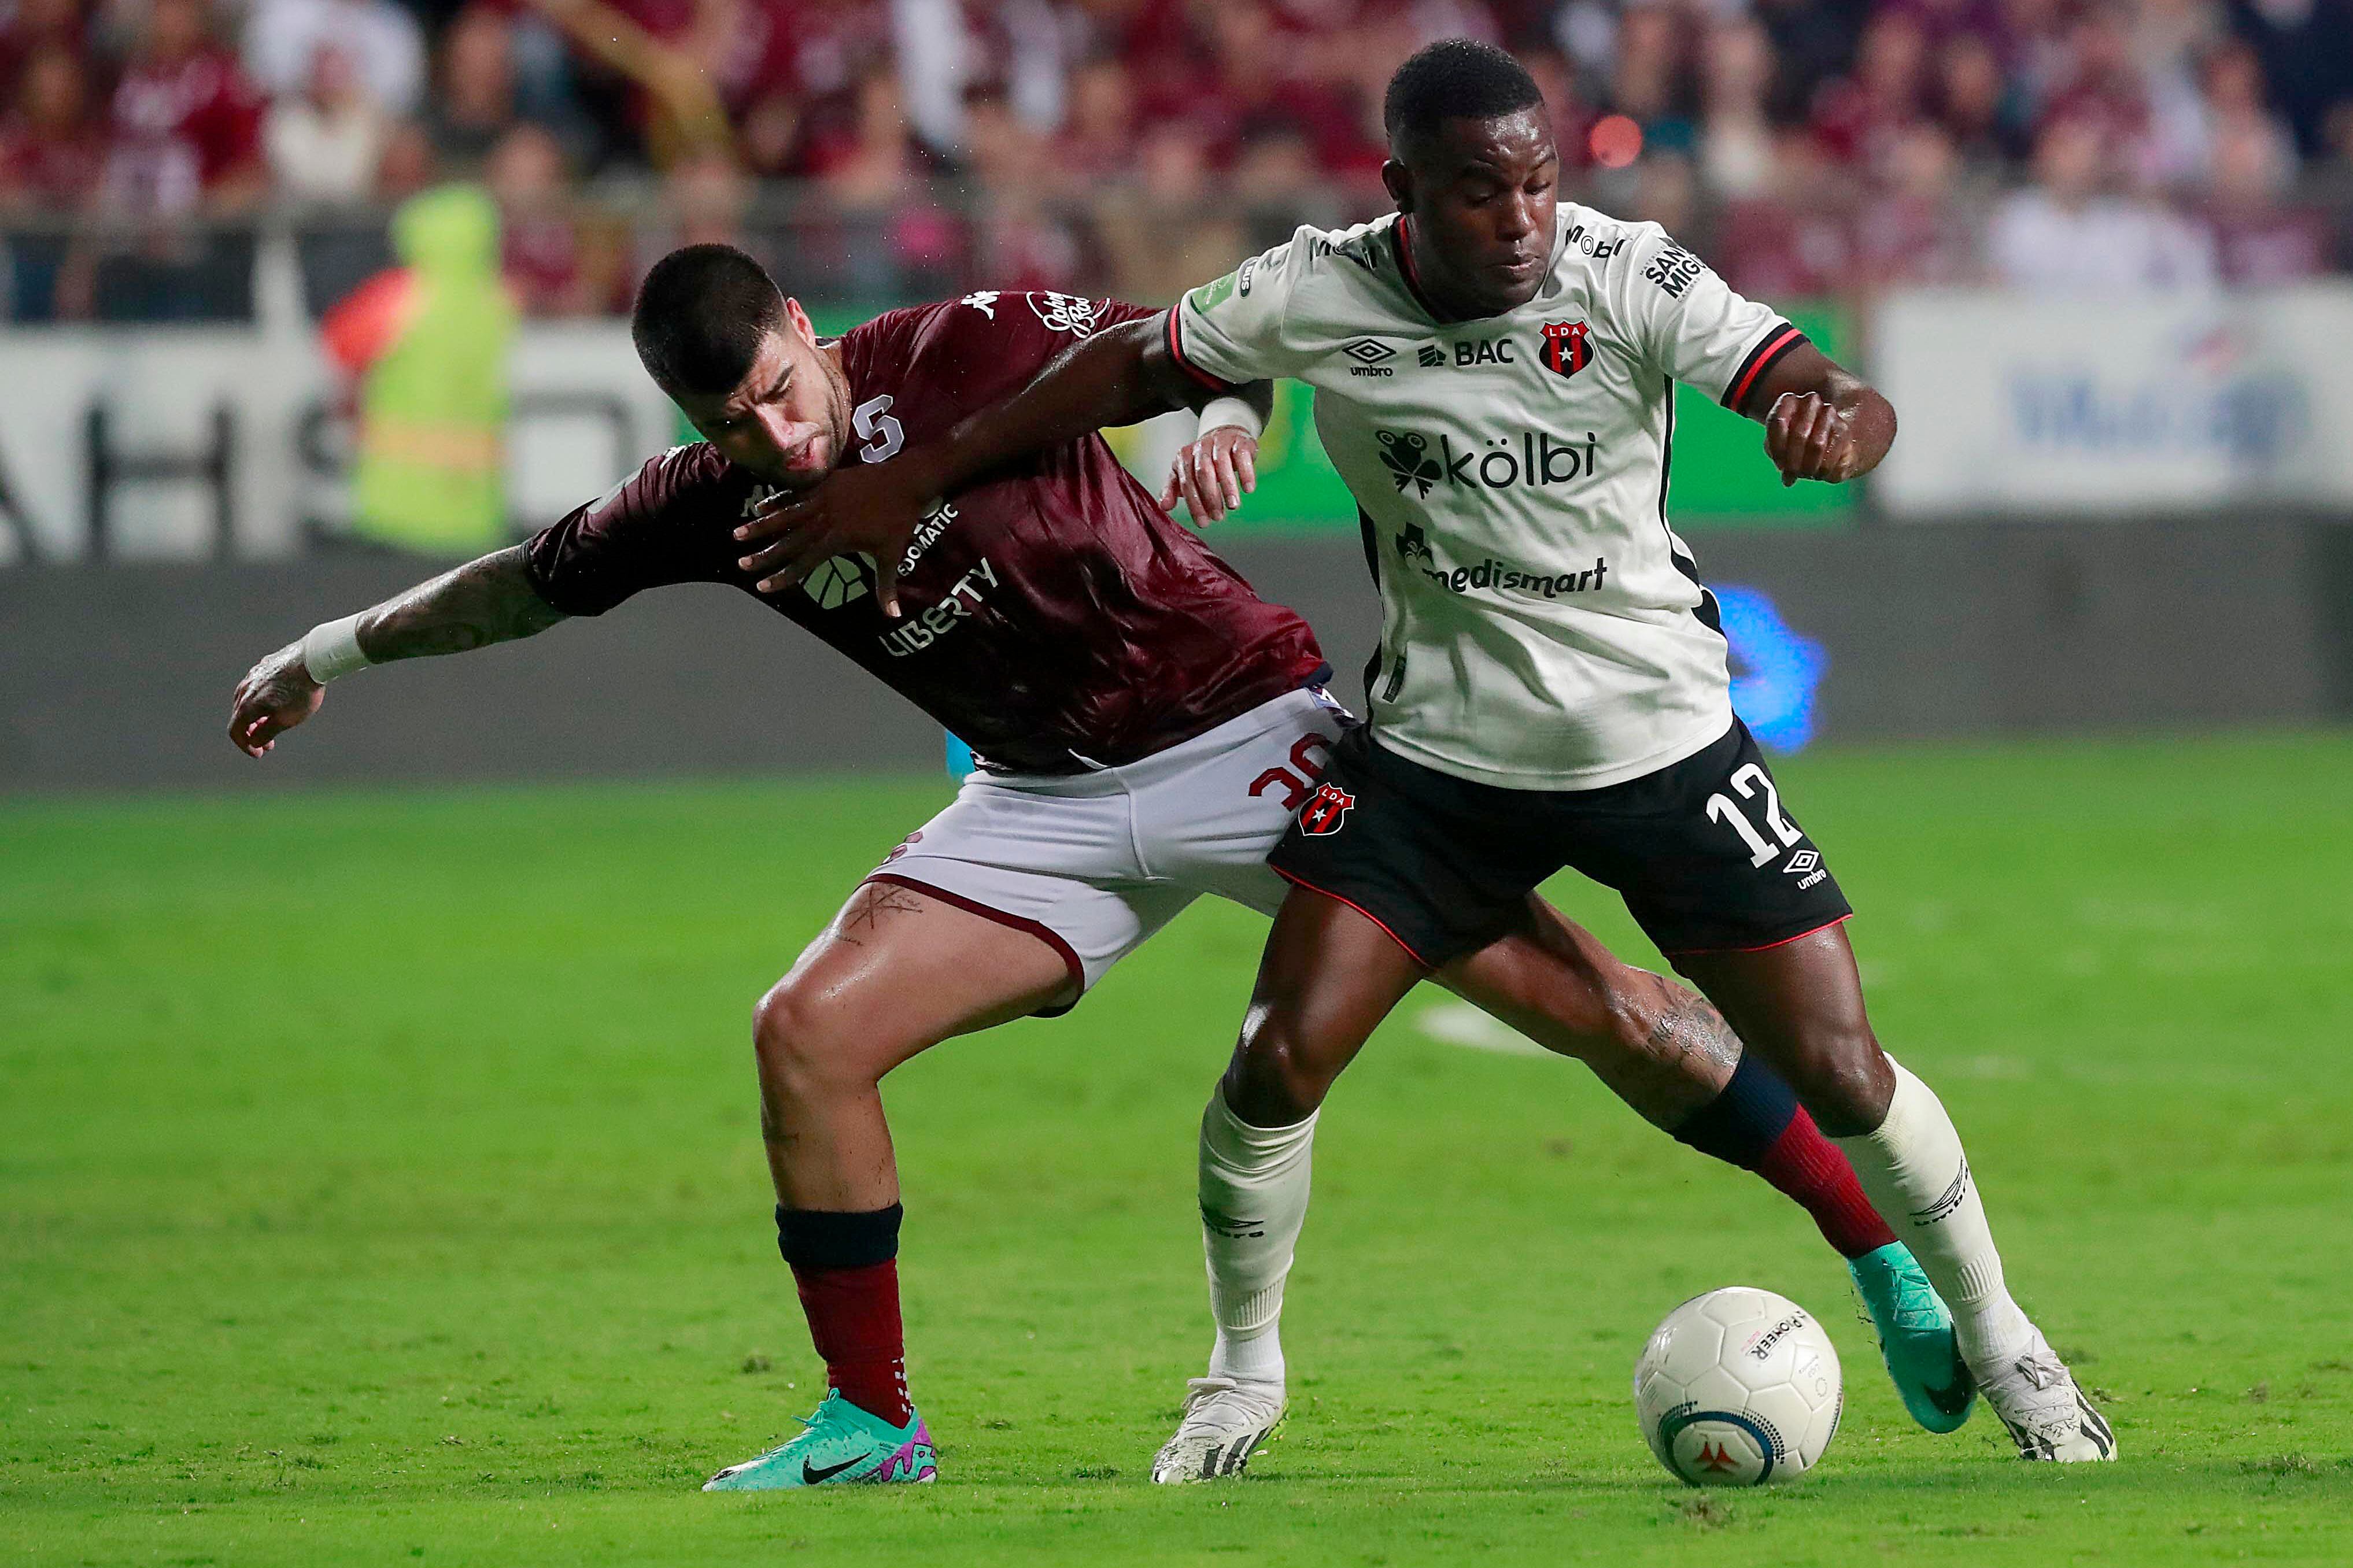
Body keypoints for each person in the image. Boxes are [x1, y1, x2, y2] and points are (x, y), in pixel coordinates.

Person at [228, 247, 1962, 1491]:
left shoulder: (973, 343)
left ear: (809, 333)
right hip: (1040, 799)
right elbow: (519, 582)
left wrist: (1210, 434)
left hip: (1242, 732)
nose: (775, 439)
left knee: (1585, 1007)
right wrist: (327, 650)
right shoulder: (708, 503)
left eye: (780, 390)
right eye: (733, 421)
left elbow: (1207, 350)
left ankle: (1868, 1248)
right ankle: (870, 1422)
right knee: (803, 1035)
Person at [737, 39, 2115, 1466]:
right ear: (1403, 192)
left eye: (1536, 182)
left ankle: (2002, 1337)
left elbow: (1811, 378)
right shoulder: (1318, 286)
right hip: (1438, 765)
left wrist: (1835, 419)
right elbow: (1130, 363)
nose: (1519, 218)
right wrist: (913, 475)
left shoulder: (1626, 273)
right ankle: (1243, 1375)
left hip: (1659, 741)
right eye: (1476, 192)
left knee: (1841, 1067)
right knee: (1273, 1065)